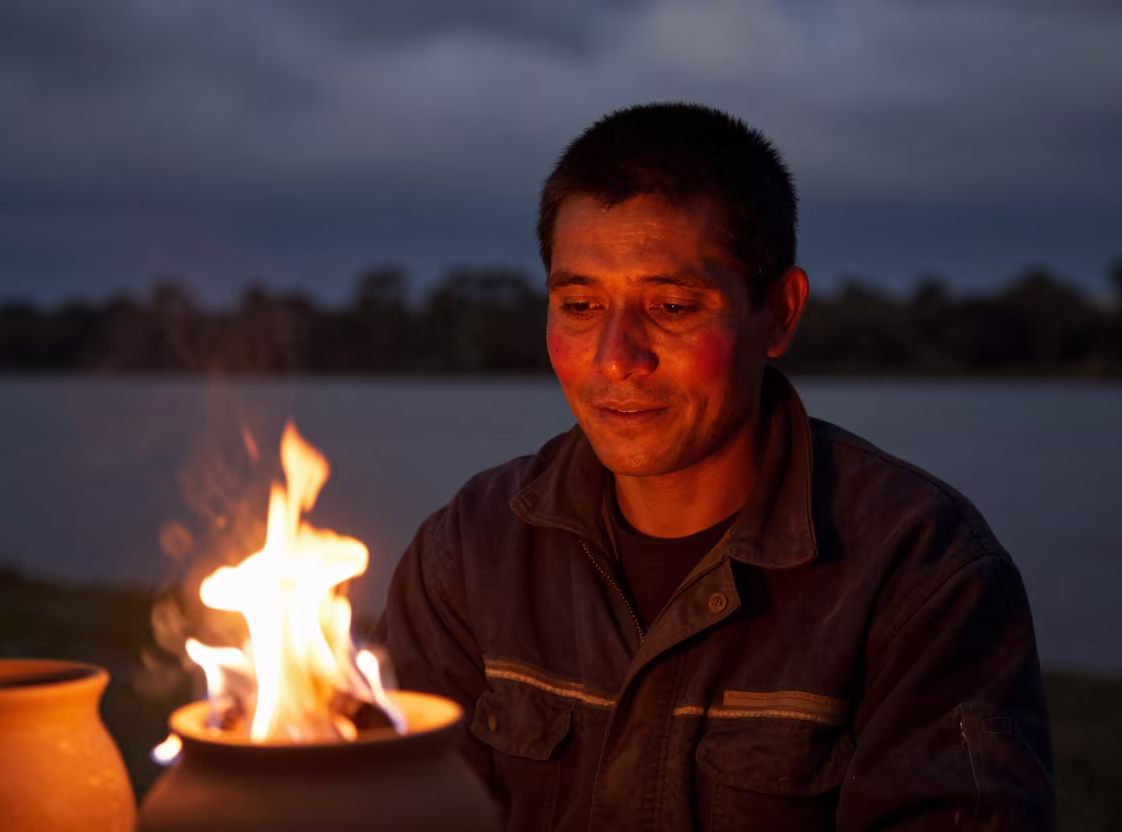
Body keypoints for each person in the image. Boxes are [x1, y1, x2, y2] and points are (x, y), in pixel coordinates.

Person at [373, 102, 1054, 830]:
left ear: (780, 313)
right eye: (579, 303)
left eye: (670, 305)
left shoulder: (917, 570)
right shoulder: (470, 553)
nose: (614, 358)